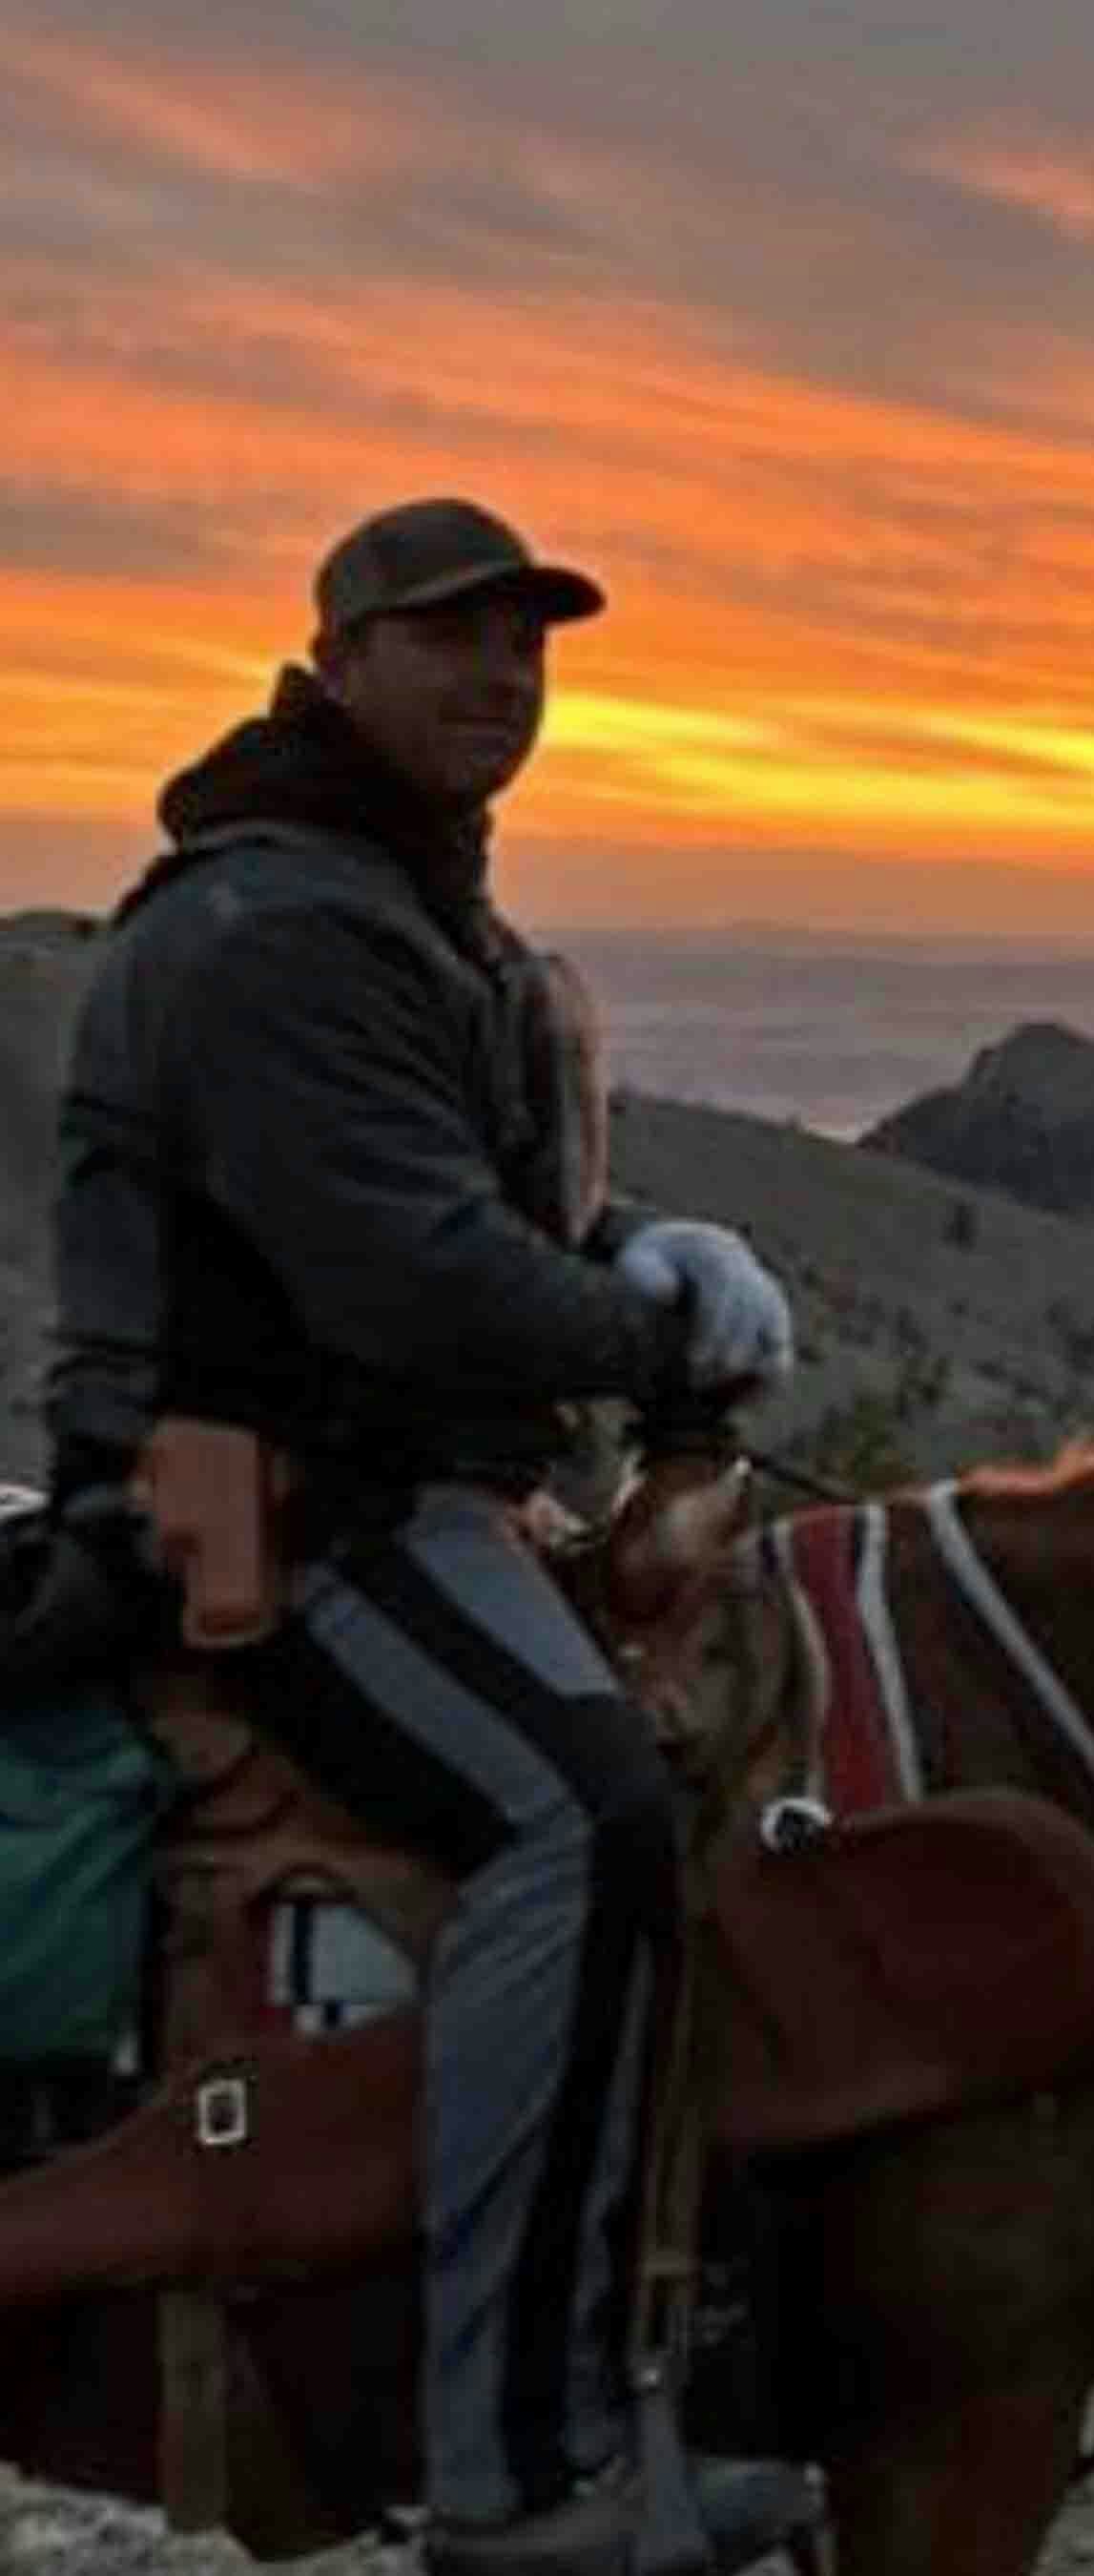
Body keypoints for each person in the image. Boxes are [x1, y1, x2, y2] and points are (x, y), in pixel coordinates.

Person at [42, 499, 819, 2575]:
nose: (503, 677)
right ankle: (519, 2471)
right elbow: (414, 1280)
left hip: (398, 1476)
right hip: (281, 1507)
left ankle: (684, 2347)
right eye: (454, 638)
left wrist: (640, 1242)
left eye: (531, 648)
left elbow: (504, 1222)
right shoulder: (287, 928)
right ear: (342, 659)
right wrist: (649, 1330)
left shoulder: (413, 912)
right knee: (585, 1820)